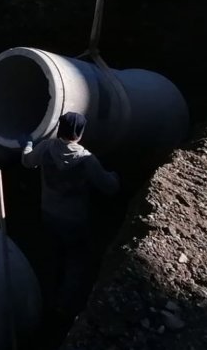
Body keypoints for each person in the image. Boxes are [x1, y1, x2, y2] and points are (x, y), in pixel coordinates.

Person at [21, 112, 120, 318]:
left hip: (48, 213)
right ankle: (64, 305)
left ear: (59, 128)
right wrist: (115, 176)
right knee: (75, 260)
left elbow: (27, 162)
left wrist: (28, 144)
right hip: (74, 220)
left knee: (53, 255)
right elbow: (109, 187)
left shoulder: (46, 148)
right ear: (81, 133)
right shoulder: (86, 159)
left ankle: (45, 298)